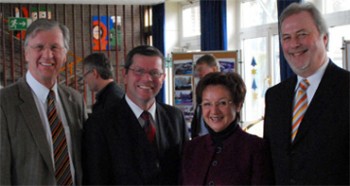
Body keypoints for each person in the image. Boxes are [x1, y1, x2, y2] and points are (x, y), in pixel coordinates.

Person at [264, 2, 349, 185]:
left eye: (302, 34)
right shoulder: (275, 97)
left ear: (324, 38)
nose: (294, 44)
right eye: (286, 37)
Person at [82, 45, 189, 185]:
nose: (147, 78)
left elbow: (185, 173)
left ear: (163, 78)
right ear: (125, 75)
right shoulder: (99, 124)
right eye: (138, 71)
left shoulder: (175, 118)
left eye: (155, 73)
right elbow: (96, 180)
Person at [0, 19, 86, 185]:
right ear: (26, 53)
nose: (48, 55)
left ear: (65, 54)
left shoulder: (75, 100)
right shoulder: (4, 103)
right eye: (39, 47)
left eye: (55, 47)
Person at [181, 72, 274, 185]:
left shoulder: (255, 148)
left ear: (238, 105)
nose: (214, 111)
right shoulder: (191, 148)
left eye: (222, 103)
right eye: (207, 104)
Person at [191, 54, 220, 138]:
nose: (198, 74)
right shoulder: (200, 87)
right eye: (197, 71)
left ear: (214, 69)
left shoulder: (225, 89)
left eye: (201, 70)